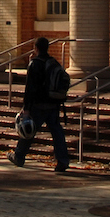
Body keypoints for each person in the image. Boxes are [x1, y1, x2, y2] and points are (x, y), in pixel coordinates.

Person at [7, 36, 70, 172]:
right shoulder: (53, 62)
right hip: (53, 102)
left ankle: (19, 156)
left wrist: (26, 107)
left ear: (36, 48)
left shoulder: (35, 63)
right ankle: (63, 160)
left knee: (28, 130)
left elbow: (30, 88)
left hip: (39, 103)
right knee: (57, 132)